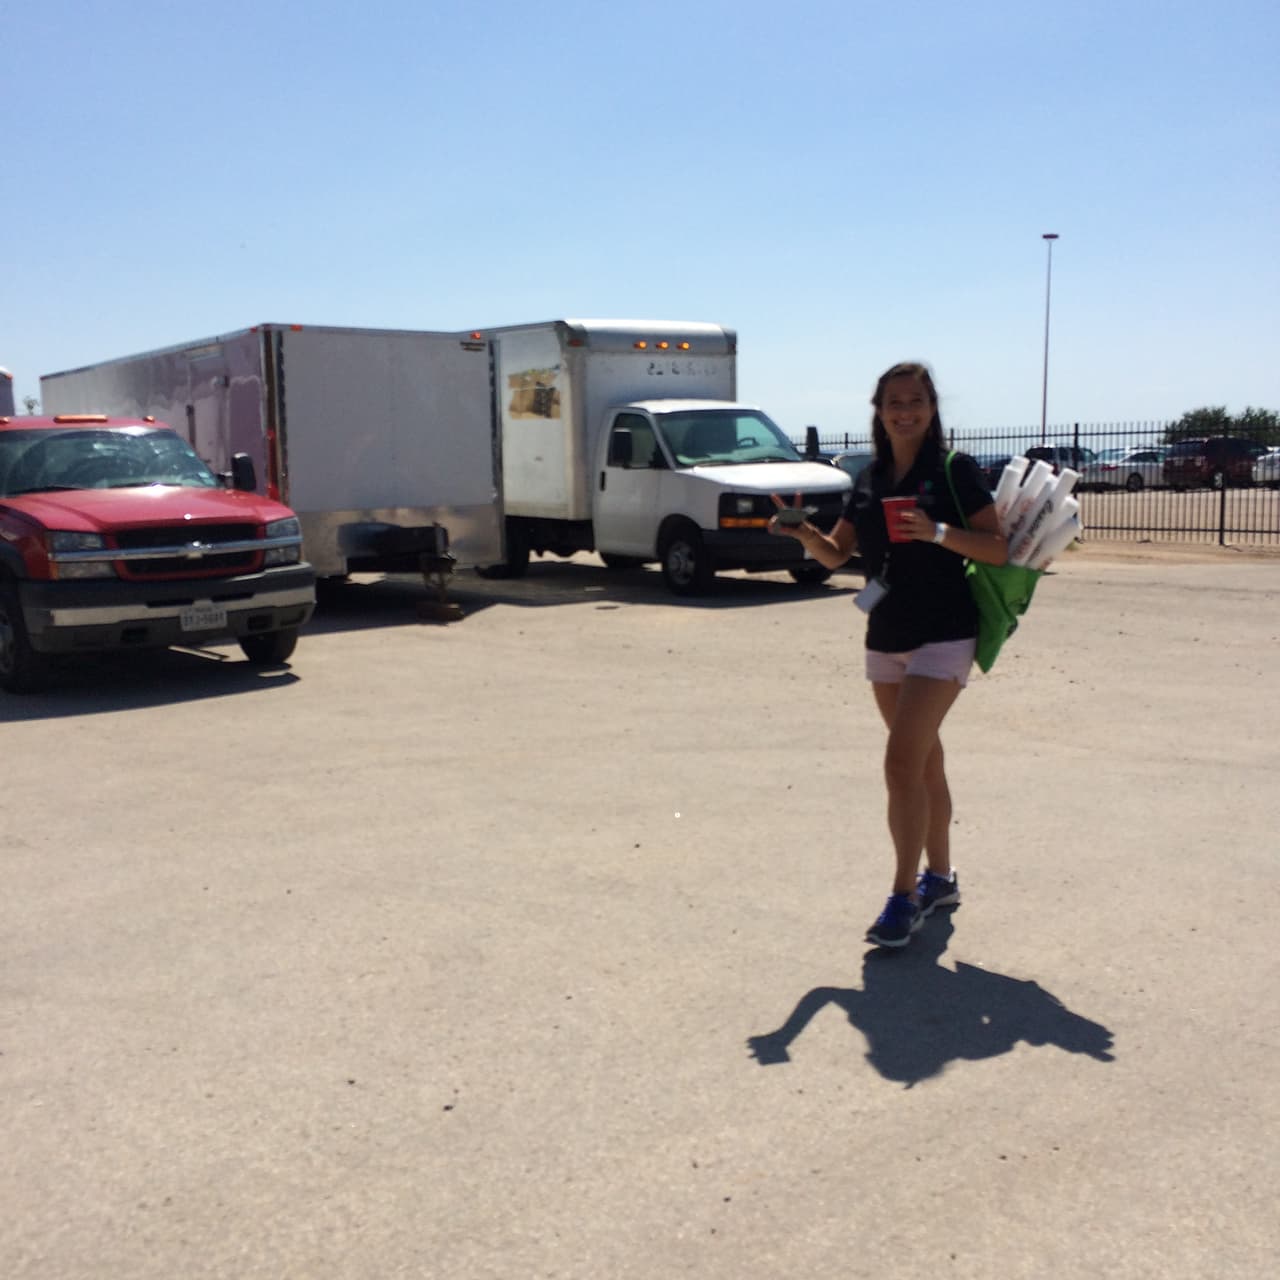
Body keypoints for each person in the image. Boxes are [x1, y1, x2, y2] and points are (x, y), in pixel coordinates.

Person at [770, 362, 1007, 948]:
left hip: (945, 633)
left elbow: (998, 549)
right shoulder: (869, 478)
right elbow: (836, 555)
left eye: (915, 400)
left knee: (901, 764)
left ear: (932, 408)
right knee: (923, 763)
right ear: (878, 410)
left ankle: (904, 898)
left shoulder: (954, 470)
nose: (905, 411)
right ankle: (941, 879)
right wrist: (803, 534)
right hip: (885, 635)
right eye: (894, 402)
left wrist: (937, 532)